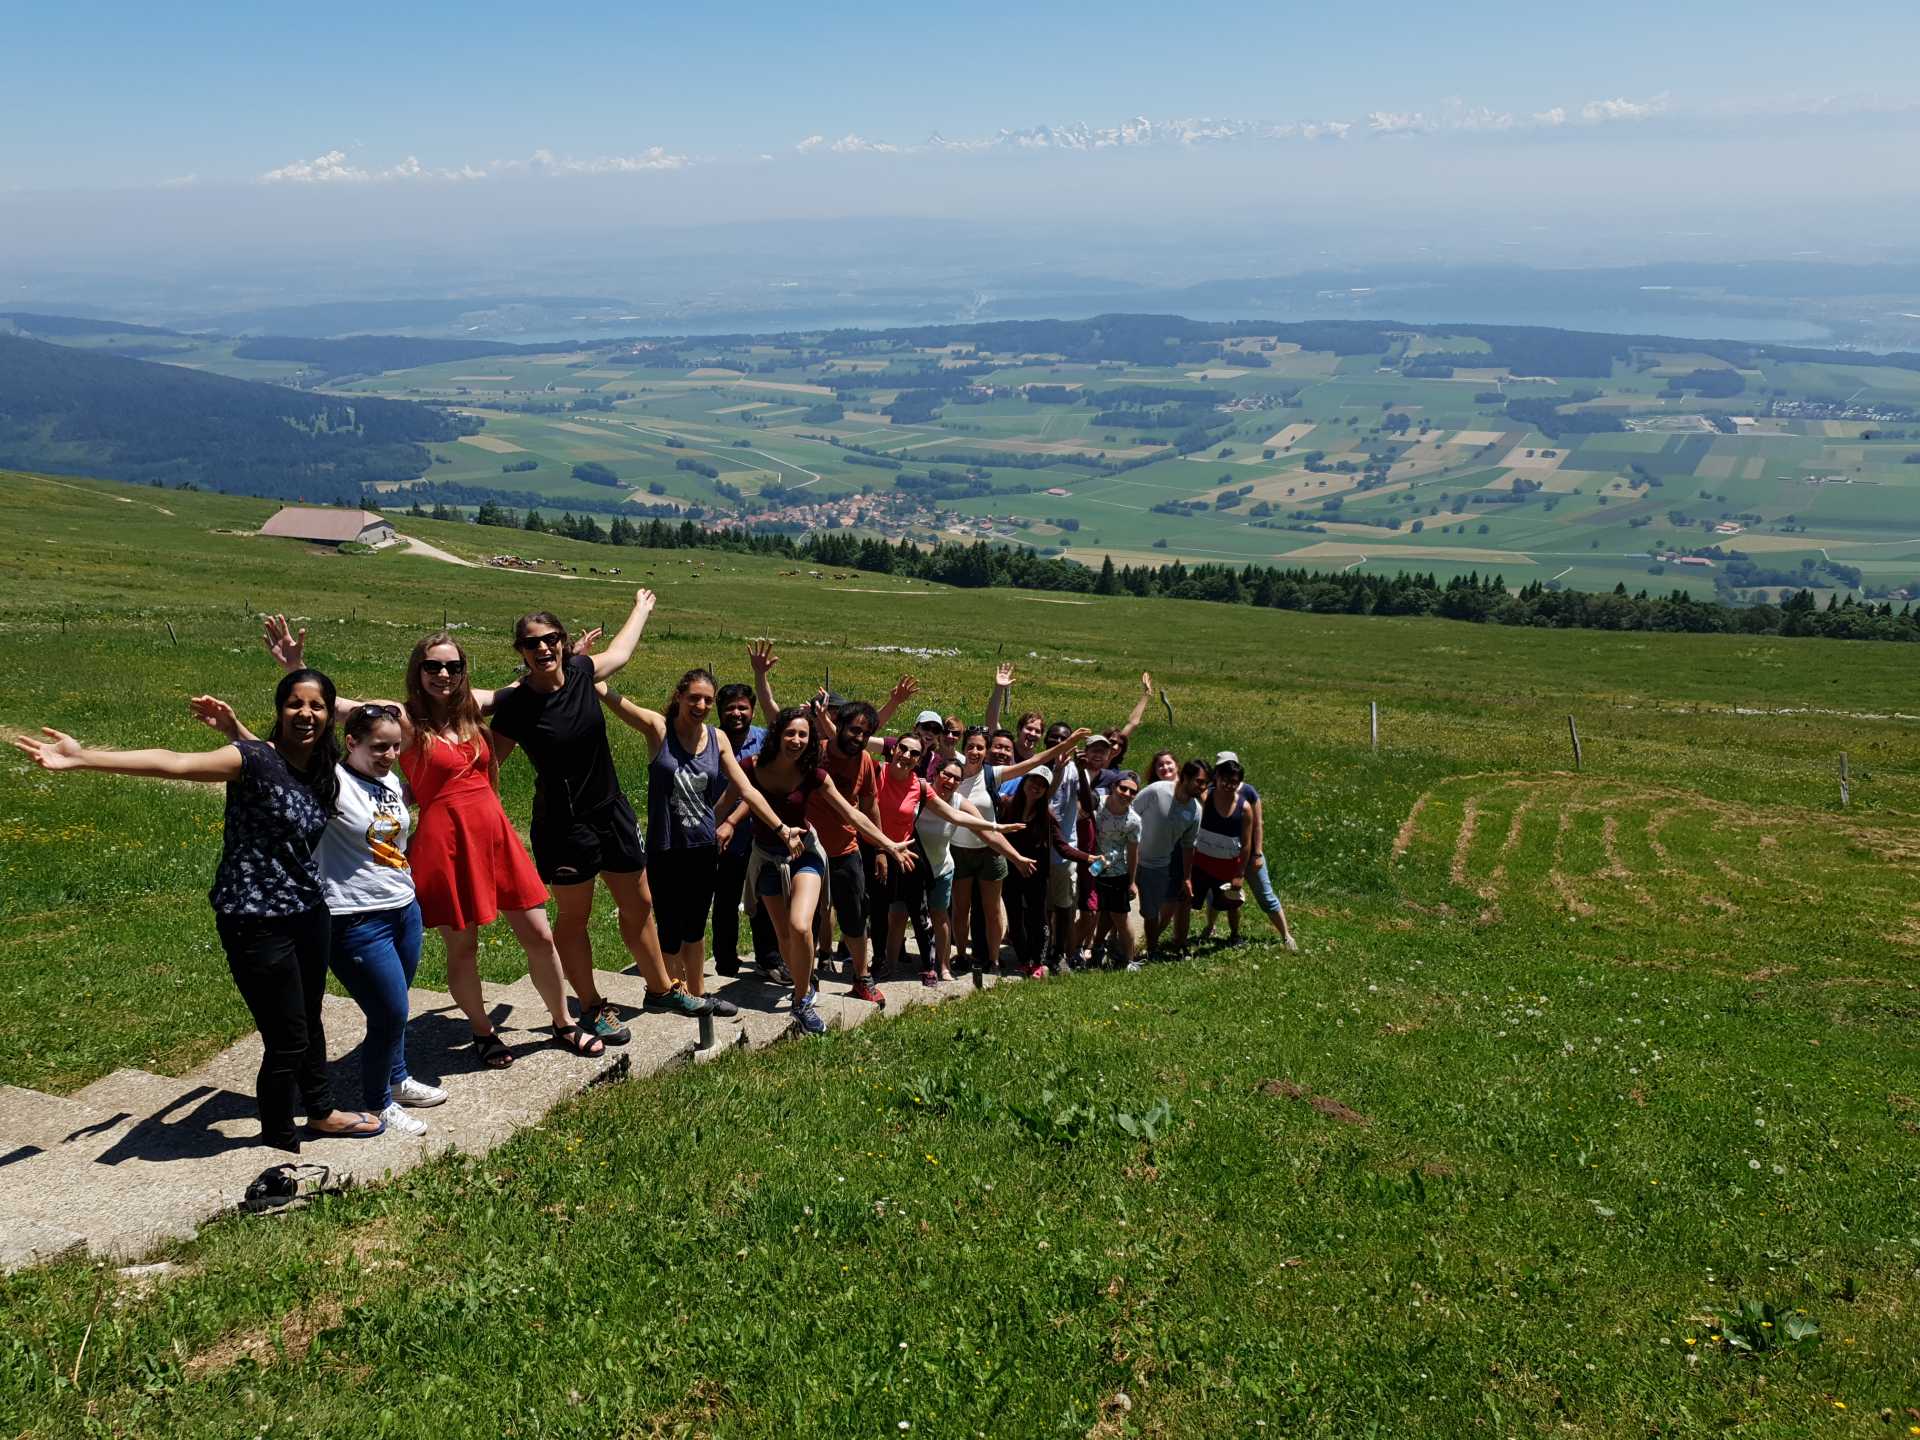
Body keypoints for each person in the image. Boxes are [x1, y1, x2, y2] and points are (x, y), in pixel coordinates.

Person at [14, 675, 384, 1150]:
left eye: (316, 705)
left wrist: (236, 728)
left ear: (329, 713)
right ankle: (278, 1138)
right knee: (287, 1037)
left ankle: (321, 1112)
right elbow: (175, 763)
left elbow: (282, 769)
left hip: (309, 912)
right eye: (295, 704)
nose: (305, 713)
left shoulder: (319, 766)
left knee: (310, 1019)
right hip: (254, 919)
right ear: (281, 709)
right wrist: (83, 756)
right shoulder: (249, 760)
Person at [261, 617, 608, 1066]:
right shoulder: (404, 719)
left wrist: (563, 657)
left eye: (453, 667)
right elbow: (341, 707)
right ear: (418, 671)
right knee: (463, 946)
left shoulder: (474, 708)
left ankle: (563, 1023)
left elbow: (525, 687)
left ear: (464, 670)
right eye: (433, 667)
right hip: (447, 844)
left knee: (540, 934)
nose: (443, 675)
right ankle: (483, 1033)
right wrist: (297, 666)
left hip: (495, 835)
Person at [488, 596, 720, 1023]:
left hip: (611, 810)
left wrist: (643, 608)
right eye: (532, 643)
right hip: (564, 825)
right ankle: (592, 1005)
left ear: (564, 643)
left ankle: (661, 989)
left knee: (640, 903)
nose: (543, 649)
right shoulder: (516, 706)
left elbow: (620, 653)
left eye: (551, 639)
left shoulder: (580, 671)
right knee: (577, 916)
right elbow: (490, 768)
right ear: (520, 650)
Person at [593, 667, 789, 1017]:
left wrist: (781, 828)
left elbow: (746, 788)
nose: (700, 705)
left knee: (696, 926)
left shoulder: (718, 739)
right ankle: (669, 992)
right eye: (694, 697)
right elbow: (615, 701)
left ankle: (698, 995)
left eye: (707, 700)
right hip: (666, 848)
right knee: (669, 926)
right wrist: (585, 669)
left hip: (703, 846)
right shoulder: (659, 730)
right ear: (680, 696)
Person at [723, 704, 914, 1035]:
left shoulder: (814, 773)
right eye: (790, 733)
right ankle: (803, 981)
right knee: (784, 934)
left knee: (801, 925)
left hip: (807, 853)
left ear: (811, 740)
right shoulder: (751, 766)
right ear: (777, 735)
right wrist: (720, 824)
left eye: (803, 735)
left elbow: (853, 813)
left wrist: (887, 844)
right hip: (767, 857)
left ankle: (801, 999)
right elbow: (740, 799)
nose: (796, 740)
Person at [747, 643, 916, 1005]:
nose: (857, 736)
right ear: (836, 725)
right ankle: (799, 975)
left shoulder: (867, 763)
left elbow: (866, 810)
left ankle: (861, 976)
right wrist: (761, 677)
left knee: (855, 919)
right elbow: (776, 715)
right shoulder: (815, 751)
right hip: (800, 849)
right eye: (852, 729)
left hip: (844, 851)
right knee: (796, 921)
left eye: (864, 732)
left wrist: (883, 849)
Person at [874, 734, 1021, 985]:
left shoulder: (951, 799)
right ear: (935, 775)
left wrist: (996, 829)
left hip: (941, 868)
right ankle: (888, 964)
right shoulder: (921, 792)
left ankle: (941, 965)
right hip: (912, 865)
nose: (951, 780)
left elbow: (961, 819)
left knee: (938, 915)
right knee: (898, 914)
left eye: (956, 778)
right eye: (947, 775)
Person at [949, 723, 1090, 976]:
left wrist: (1066, 746)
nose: (975, 751)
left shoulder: (994, 774)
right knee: (961, 910)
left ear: (986, 751)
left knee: (994, 911)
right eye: (970, 746)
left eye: (980, 747)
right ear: (964, 749)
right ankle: (961, 955)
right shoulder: (955, 771)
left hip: (989, 850)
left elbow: (1035, 760)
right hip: (959, 849)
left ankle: (994, 961)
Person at [710, 680, 784, 981]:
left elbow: (764, 788)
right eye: (730, 708)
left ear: (752, 710)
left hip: (760, 834)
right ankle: (726, 962)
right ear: (720, 712)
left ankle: (769, 959)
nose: (737, 713)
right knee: (725, 900)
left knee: (765, 900)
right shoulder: (709, 740)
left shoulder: (765, 740)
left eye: (743, 707)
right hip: (722, 837)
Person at [1211, 751, 1299, 952]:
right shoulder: (1211, 790)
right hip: (1223, 854)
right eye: (1223, 768)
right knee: (1217, 895)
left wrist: (1257, 853)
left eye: (1231, 766)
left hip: (1249, 855)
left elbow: (1258, 824)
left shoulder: (1248, 792)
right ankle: (1211, 926)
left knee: (1265, 895)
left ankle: (1286, 935)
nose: (1227, 772)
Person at [1131, 758, 1210, 959]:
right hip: (1128, 858)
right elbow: (1129, 813)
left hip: (1157, 866)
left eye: (1205, 783)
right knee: (1115, 905)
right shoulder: (1157, 791)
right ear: (1185, 777)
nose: (1202, 787)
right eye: (1199, 782)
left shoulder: (1195, 811)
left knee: (1150, 912)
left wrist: (1186, 877)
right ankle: (1108, 945)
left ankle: (1151, 951)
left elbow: (1187, 846)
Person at [999, 766, 1063, 978]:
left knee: (1038, 919)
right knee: (1015, 918)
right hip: (1011, 872)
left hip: (1036, 876)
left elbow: (1062, 847)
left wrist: (1088, 858)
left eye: (1042, 785)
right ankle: (1024, 960)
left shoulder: (1047, 816)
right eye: (1033, 781)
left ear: (1046, 791)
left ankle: (1038, 961)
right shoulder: (1007, 806)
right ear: (1024, 782)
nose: (1036, 787)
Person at [1191, 754, 1254, 944]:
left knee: (1232, 904)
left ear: (1239, 783)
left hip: (1227, 867)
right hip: (1200, 863)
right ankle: (1184, 936)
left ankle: (1235, 935)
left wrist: (1240, 873)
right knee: (1187, 901)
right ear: (1216, 778)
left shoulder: (1245, 808)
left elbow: (1246, 843)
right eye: (1225, 780)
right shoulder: (1205, 797)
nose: (1228, 785)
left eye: (1234, 782)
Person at [1088, 772, 1144, 972]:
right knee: (1093, 913)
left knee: (1120, 917)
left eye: (1132, 792)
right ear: (1113, 787)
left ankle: (1129, 960)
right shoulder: (1096, 804)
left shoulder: (1133, 821)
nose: (1127, 793)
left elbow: (1133, 853)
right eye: (1123, 788)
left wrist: (1132, 881)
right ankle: (1093, 949)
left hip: (1116, 873)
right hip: (1090, 868)